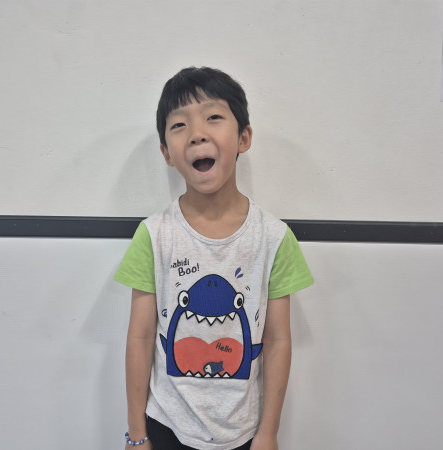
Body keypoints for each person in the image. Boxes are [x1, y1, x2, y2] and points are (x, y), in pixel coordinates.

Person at [114, 67, 314, 450]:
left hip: (243, 432)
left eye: (214, 117)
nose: (197, 133)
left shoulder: (274, 238)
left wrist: (268, 433)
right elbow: (139, 338)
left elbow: (277, 341)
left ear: (243, 138)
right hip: (165, 426)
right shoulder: (153, 235)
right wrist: (136, 434)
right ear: (166, 153)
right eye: (179, 125)